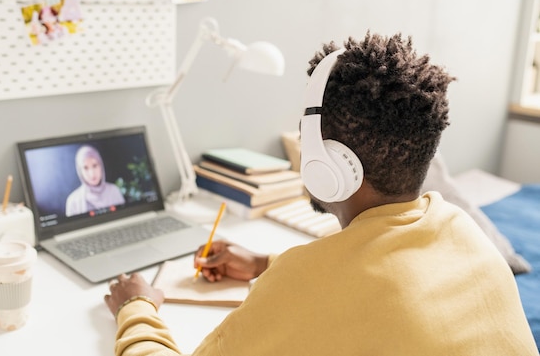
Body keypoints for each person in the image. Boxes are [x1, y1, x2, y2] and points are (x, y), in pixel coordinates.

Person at [104, 32, 538, 355]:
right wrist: (262, 264)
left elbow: (340, 289)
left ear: (329, 164)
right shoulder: (462, 232)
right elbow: (374, 278)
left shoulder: (300, 284)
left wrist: (137, 308)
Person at [66, 145, 124, 217]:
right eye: (85, 168)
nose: (92, 173)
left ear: (101, 165)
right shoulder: (73, 201)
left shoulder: (114, 191)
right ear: (80, 171)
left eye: (95, 165)